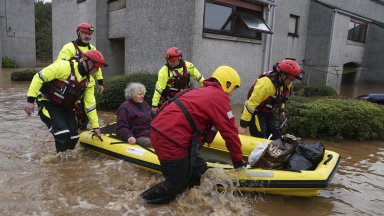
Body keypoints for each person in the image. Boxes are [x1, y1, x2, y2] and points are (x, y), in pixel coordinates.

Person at [140, 66, 245, 204]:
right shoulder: (219, 98)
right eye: (233, 89)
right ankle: (140, 202)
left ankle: (188, 200)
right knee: (176, 185)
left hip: (165, 132)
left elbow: (168, 105)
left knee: (200, 167)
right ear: (228, 84)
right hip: (170, 138)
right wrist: (238, 162)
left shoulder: (198, 90)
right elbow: (230, 134)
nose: (232, 93)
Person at [24, 50, 108, 153]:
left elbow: (90, 105)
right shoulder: (64, 66)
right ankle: (59, 162)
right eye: (96, 67)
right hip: (48, 102)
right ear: (88, 63)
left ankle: (68, 161)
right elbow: (39, 77)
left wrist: (95, 126)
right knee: (62, 133)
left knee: (74, 137)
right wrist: (30, 101)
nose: (97, 70)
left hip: (66, 107)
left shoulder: (89, 82)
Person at [238, 59, 302, 140]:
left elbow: (282, 98)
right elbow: (250, 105)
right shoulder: (266, 84)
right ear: (283, 75)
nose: (292, 82)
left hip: (268, 112)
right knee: (261, 137)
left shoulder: (287, 83)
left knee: (276, 137)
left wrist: (282, 110)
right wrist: (243, 126)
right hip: (257, 112)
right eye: (291, 79)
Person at [57, 22, 104, 129]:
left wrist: (100, 83)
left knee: (86, 111)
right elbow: (60, 64)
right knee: (68, 112)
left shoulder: (93, 48)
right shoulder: (69, 47)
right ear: (78, 33)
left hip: (86, 86)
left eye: (90, 34)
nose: (88, 36)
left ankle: (82, 129)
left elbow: (98, 67)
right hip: (70, 85)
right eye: (85, 33)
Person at [151, 47, 205, 113]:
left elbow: (199, 78)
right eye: (168, 61)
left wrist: (206, 89)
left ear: (179, 58)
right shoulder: (164, 71)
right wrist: (154, 105)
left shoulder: (188, 66)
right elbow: (159, 89)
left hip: (185, 97)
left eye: (173, 61)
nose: (170, 63)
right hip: (170, 100)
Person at [116, 83, 152, 148]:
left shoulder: (145, 104)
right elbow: (121, 126)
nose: (142, 96)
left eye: (143, 94)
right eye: (139, 94)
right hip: (137, 136)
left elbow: (154, 119)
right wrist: (129, 136)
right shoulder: (125, 107)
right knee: (154, 144)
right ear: (132, 95)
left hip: (149, 133)